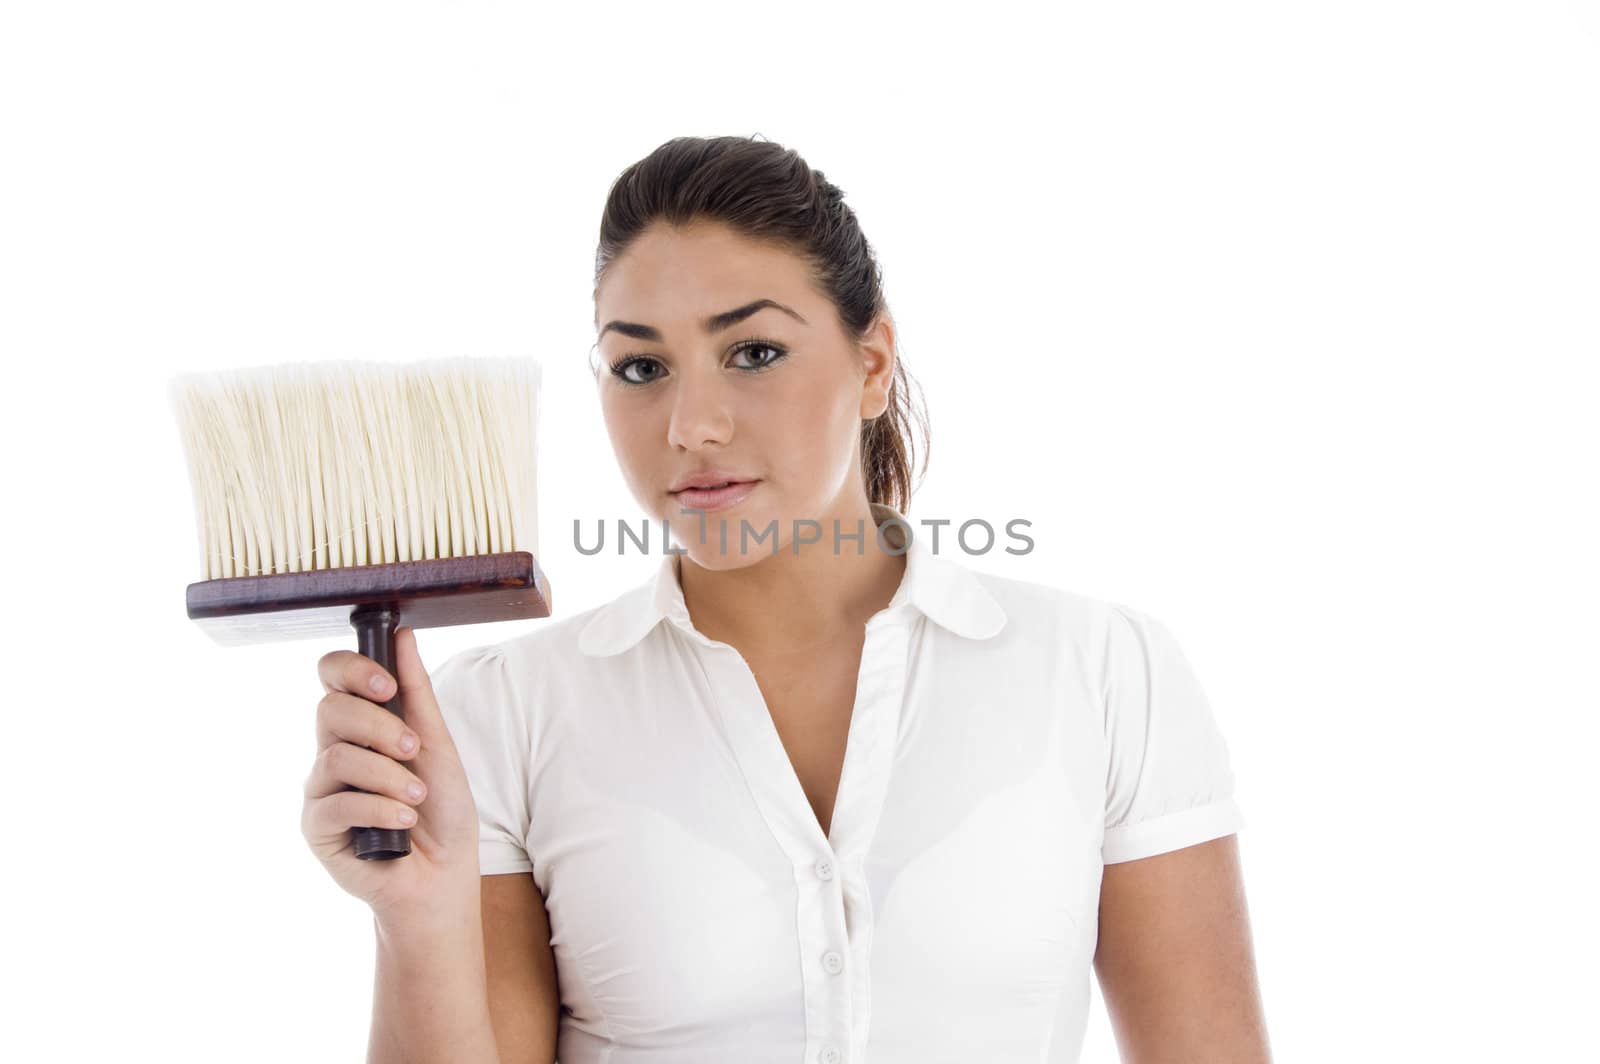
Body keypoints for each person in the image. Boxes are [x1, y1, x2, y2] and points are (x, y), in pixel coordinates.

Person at [302, 135, 1271, 1064]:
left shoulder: (1105, 674)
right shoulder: (504, 713)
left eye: (753, 350)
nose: (693, 424)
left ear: (873, 362)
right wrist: (418, 917)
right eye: (641, 366)